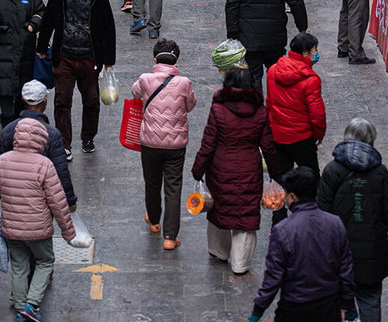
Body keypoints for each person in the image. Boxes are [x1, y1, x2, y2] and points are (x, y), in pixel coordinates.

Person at [0, 117, 85, 321]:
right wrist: (68, 232)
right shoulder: (45, 165)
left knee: (19, 265)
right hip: (38, 229)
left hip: (11, 228)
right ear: (42, 140)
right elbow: (58, 203)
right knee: (45, 261)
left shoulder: (2, 160)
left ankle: (21, 308)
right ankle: (31, 304)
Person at [190, 67, 278, 275]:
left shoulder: (219, 109)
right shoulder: (260, 111)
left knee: (220, 208)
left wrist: (198, 169)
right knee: (245, 215)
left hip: (221, 168)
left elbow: (208, 143)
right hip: (249, 169)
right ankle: (240, 264)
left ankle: (219, 251)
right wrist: (275, 171)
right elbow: (268, 146)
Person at [317, 119, 388, 322]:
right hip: (372, 251)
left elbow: (321, 210)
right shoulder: (380, 172)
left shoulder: (332, 170)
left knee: (338, 300)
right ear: (371, 140)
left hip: (338, 250)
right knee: (370, 299)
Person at [250, 167, 355, 322]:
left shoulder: (283, 230)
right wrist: (348, 302)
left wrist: (258, 310)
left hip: (295, 307)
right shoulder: (335, 223)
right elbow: (345, 267)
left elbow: (273, 277)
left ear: (292, 197)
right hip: (329, 306)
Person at [37, 0, 116, 158]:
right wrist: (42, 45)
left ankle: (88, 137)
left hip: (90, 57)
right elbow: (48, 20)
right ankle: (64, 144)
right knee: (62, 101)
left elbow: (108, 27)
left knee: (91, 100)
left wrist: (108, 59)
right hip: (64, 56)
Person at [132, 39, 197, 250]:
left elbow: (134, 92)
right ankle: (170, 237)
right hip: (176, 144)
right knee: (173, 187)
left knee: (151, 182)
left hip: (150, 141)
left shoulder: (145, 79)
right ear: (176, 60)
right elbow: (190, 105)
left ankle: (153, 221)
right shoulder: (184, 83)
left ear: (154, 59)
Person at [265, 32, 326, 178]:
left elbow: (269, 102)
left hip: (278, 135)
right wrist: (318, 134)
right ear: (305, 53)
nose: (316, 54)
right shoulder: (311, 80)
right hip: (302, 137)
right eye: (314, 50)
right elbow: (317, 114)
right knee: (311, 179)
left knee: (282, 180)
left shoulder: (273, 71)